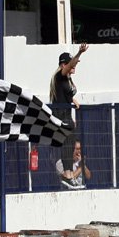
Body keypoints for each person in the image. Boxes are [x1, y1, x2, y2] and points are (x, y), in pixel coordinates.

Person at [50, 44, 88, 175]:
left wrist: (72, 99)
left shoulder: (67, 80)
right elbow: (70, 65)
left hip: (67, 115)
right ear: (63, 65)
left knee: (71, 143)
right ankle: (67, 172)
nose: (74, 66)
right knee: (67, 143)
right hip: (61, 115)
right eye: (71, 64)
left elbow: (64, 93)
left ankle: (69, 171)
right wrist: (79, 53)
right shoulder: (60, 76)